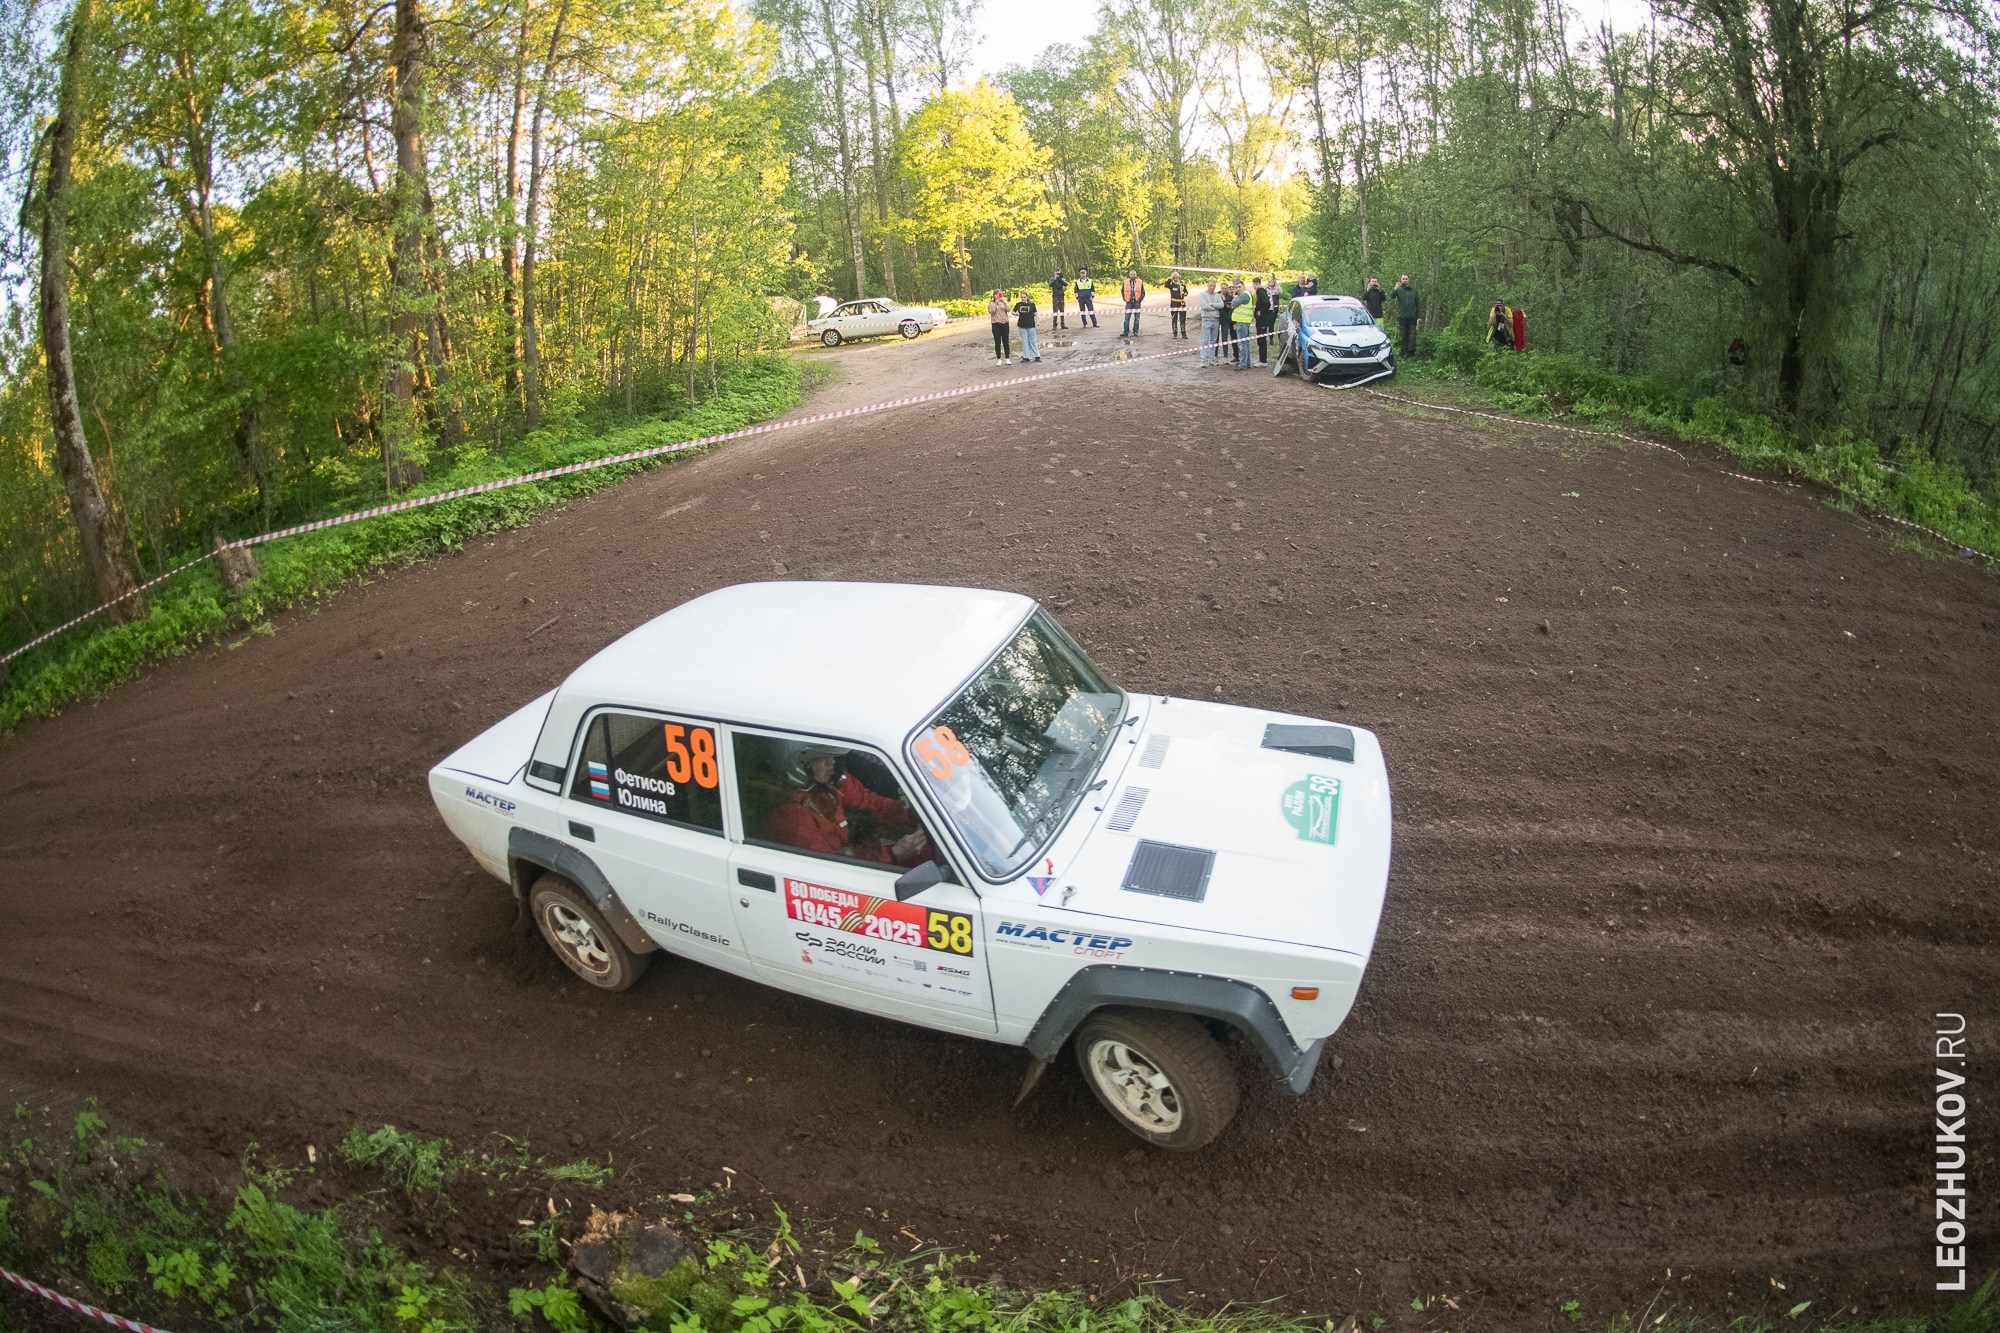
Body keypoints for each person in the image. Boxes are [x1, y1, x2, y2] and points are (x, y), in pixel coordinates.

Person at [768, 744, 930, 866]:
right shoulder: (792, 817)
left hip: (862, 856)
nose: (832, 763)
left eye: (833, 756)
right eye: (823, 758)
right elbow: (832, 867)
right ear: (800, 763)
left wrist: (913, 812)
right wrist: (894, 853)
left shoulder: (834, 783)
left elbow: (874, 805)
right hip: (845, 875)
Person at [1392, 274, 1421, 358]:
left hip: (1412, 317)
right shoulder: (1399, 290)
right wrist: (1395, 288)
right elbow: (1392, 296)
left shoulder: (1414, 290)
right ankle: (1403, 352)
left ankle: (1411, 353)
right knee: (1403, 335)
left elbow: (1418, 304)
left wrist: (1418, 316)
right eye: (1403, 279)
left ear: (1409, 280)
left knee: (1412, 336)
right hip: (1402, 317)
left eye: (1406, 279)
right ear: (1401, 280)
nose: (1404, 280)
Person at [1230, 277, 1256, 368]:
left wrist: (1234, 297)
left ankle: (1243, 364)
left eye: (1239, 286)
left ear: (1244, 286)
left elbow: (1233, 303)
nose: (1237, 289)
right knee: (1245, 344)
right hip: (1243, 321)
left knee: (1242, 344)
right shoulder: (1245, 294)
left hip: (1242, 322)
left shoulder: (1244, 295)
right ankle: (1246, 363)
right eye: (1236, 287)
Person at [1197, 279, 1223, 366]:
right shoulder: (1203, 295)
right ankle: (1203, 361)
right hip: (1206, 319)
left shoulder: (1217, 295)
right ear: (1207, 285)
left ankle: (1211, 360)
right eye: (1211, 285)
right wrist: (1215, 306)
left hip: (1216, 319)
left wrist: (1212, 304)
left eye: (1214, 286)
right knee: (1205, 340)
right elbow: (1204, 305)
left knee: (1213, 340)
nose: (1212, 287)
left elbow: (1221, 305)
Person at [1253, 276, 1277, 366]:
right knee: (1260, 340)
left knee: (1262, 340)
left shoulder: (1261, 292)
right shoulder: (1259, 292)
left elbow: (1267, 303)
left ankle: (1263, 361)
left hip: (1263, 320)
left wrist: (1260, 312)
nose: (1255, 286)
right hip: (1260, 320)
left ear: (1259, 284)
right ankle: (1261, 359)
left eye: (1256, 284)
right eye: (1254, 284)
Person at [1014, 289, 1042, 362]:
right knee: (1024, 341)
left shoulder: (1032, 305)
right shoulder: (1018, 304)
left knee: (1032, 341)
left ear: (1027, 297)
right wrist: (1016, 314)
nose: (1023, 298)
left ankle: (1037, 356)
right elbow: (1013, 311)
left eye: (1024, 297)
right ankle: (1026, 357)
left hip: (1031, 325)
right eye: (1022, 297)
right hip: (1022, 325)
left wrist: (1037, 322)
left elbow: (1036, 314)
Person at [988, 289, 1012, 365]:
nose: (999, 296)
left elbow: (1008, 309)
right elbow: (992, 312)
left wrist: (1004, 301)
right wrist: (996, 303)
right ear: (994, 295)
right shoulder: (991, 303)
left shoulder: (1003, 302)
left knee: (1006, 341)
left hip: (1005, 324)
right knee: (997, 342)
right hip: (996, 324)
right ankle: (999, 358)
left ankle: (1007, 358)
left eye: (1000, 294)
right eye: (997, 294)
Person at [1121, 269, 1146, 336]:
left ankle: (1135, 332)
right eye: (1131, 274)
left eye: (1134, 274)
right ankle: (1126, 332)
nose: (1132, 275)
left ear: (1136, 275)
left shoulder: (1139, 282)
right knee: (1127, 318)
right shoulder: (1125, 282)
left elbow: (1143, 292)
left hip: (1137, 302)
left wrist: (1139, 300)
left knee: (1137, 318)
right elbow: (1122, 291)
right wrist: (1125, 299)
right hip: (1128, 302)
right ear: (1129, 275)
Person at [1166, 271, 1189, 339]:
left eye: (1177, 277)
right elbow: (1166, 285)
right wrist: (1170, 278)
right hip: (1174, 303)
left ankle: (1183, 333)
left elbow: (1186, 291)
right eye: (1174, 277)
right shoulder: (1171, 284)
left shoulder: (1182, 283)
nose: (1175, 278)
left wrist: (1185, 293)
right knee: (1174, 318)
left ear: (1179, 277)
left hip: (1182, 303)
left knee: (1182, 318)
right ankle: (1175, 332)